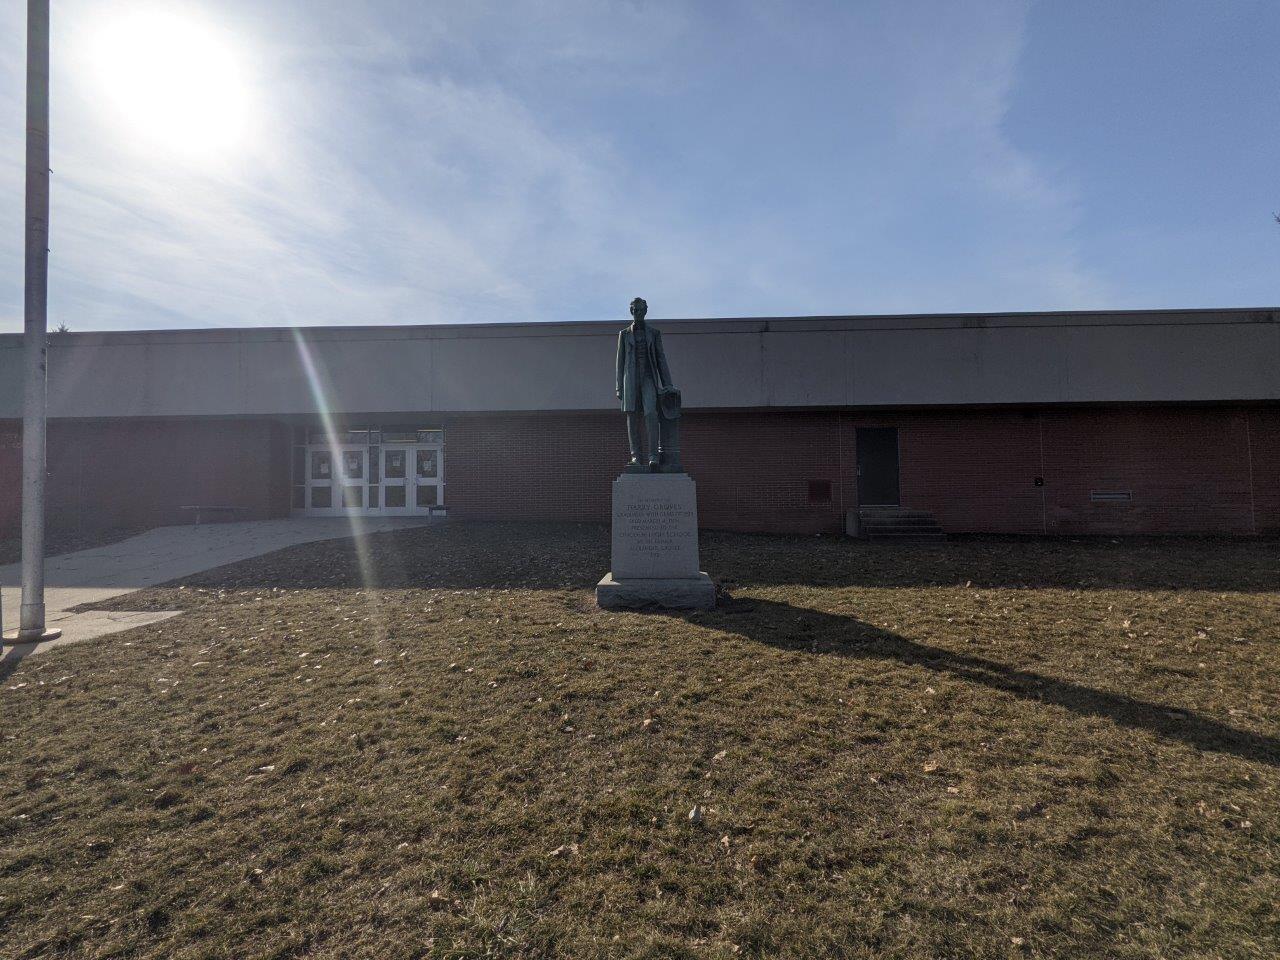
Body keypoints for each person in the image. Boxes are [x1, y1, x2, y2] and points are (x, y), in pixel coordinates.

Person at [615, 297, 676, 470]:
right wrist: (619, 386)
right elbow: (620, 363)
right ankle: (635, 457)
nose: (638, 313)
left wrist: (667, 384)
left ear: (645, 311)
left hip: (648, 378)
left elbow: (661, 358)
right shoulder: (624, 334)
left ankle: (653, 457)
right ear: (631, 311)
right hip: (630, 380)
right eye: (635, 310)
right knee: (632, 417)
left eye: (641, 310)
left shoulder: (654, 333)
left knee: (651, 414)